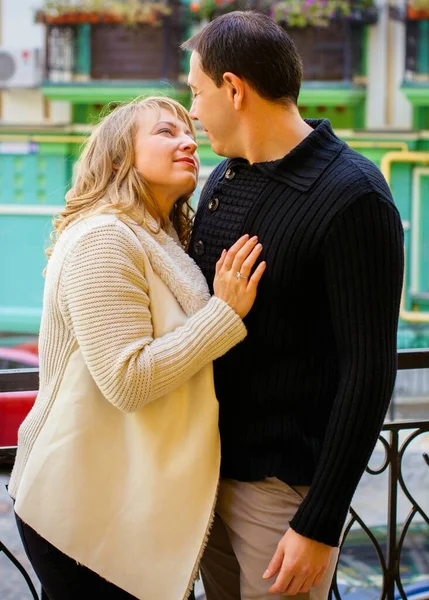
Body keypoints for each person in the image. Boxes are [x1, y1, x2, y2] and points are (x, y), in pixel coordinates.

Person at [182, 11, 404, 599]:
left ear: (235, 89)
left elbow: (369, 371)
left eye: (198, 93)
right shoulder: (225, 178)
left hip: (279, 498)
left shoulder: (354, 195)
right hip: (205, 478)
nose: (194, 112)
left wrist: (320, 522)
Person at [8, 96, 266, 600]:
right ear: (117, 160)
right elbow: (127, 380)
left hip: (118, 503)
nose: (188, 140)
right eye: (165, 132)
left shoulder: (158, 236)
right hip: (78, 512)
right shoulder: (104, 236)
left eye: (188, 132)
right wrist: (225, 313)